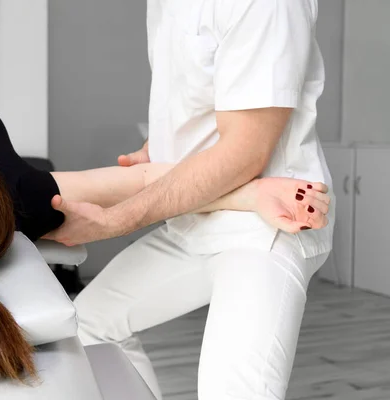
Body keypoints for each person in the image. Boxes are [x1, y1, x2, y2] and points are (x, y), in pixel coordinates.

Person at [0, 92, 328, 385]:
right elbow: (138, 181)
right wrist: (252, 193)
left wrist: (251, 194)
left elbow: (142, 183)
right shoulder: (19, 194)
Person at [43, 1, 334, 399]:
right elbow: (202, 97)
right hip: (195, 217)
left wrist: (115, 220)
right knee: (89, 324)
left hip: (265, 228)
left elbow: (244, 154)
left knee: (231, 390)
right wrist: (163, 146)